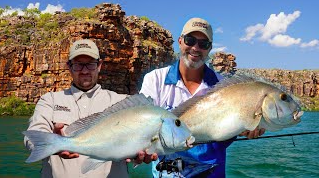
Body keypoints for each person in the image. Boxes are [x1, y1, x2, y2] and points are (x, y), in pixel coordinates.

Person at [140, 18, 265, 177]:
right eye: (190, 40)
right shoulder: (155, 80)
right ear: (180, 41)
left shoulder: (224, 86)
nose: (195, 48)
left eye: (203, 44)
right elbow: (143, 126)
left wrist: (245, 129)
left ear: (210, 48)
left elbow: (232, 126)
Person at [23, 39, 149, 178]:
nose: (84, 71)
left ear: (99, 65)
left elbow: (142, 142)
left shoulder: (123, 102)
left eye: (90, 65)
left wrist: (141, 151)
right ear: (69, 67)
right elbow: (32, 138)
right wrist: (53, 143)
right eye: (78, 65)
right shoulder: (49, 100)